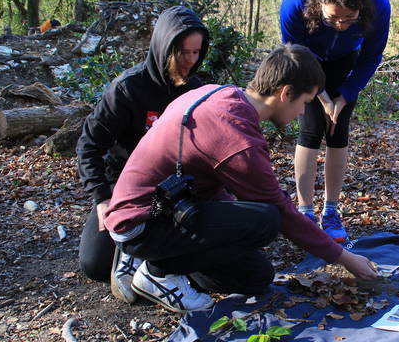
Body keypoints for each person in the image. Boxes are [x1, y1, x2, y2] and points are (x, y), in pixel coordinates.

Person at [102, 44, 379, 313]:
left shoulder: (220, 94)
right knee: (266, 219)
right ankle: (157, 272)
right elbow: (280, 210)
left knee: (256, 277)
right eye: (305, 102)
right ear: (285, 93)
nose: (303, 113)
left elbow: (210, 183)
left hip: (167, 209)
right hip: (140, 223)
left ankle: (171, 260)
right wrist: (344, 257)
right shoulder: (236, 136)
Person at [76, 6, 209, 305]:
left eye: (197, 52)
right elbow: (89, 144)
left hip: (173, 188)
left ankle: (150, 261)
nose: (191, 61)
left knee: (206, 258)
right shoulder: (128, 88)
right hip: (124, 186)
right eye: (184, 53)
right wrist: (102, 198)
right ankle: (132, 251)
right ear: (165, 48)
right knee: (94, 265)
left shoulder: (196, 88)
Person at [280, 0, 390, 242]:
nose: (341, 25)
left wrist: (345, 95)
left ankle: (331, 211)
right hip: (307, 60)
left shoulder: (378, 3)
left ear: (361, 9)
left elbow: (372, 54)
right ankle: (305, 213)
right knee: (311, 128)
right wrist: (323, 97)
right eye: (332, 19)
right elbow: (295, 53)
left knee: (337, 129)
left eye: (349, 19)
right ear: (319, 5)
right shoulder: (295, 1)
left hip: (346, 61)